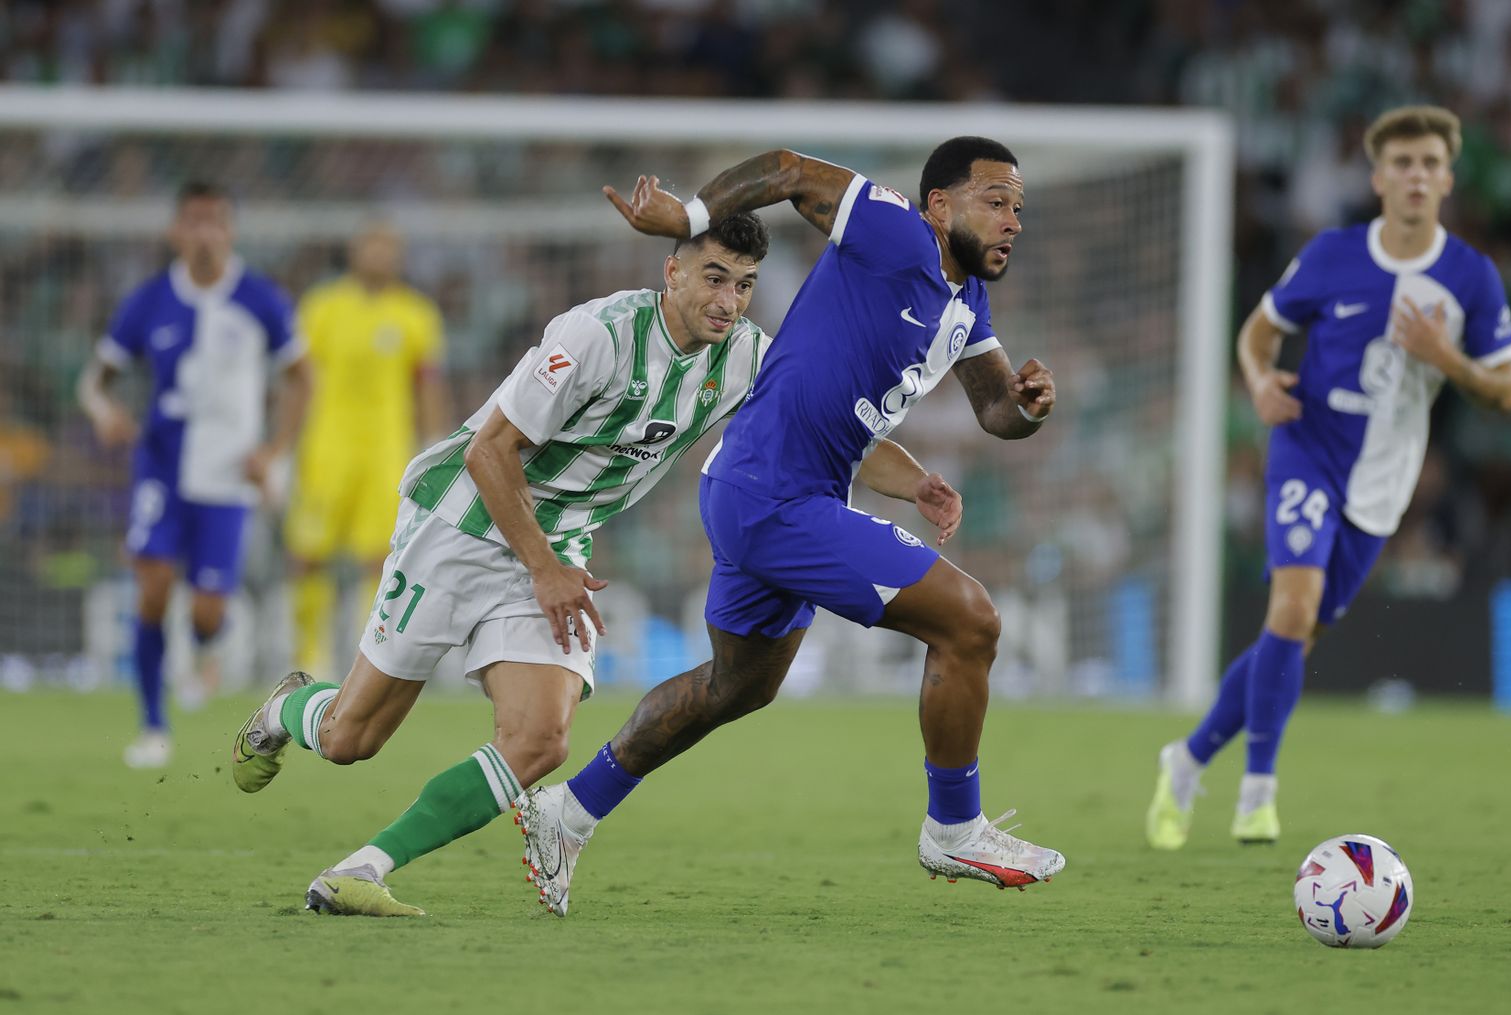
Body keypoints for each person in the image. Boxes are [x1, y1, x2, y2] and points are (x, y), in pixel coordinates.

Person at [229, 213, 961, 917]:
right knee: (350, 738)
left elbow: (832, 438)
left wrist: (917, 483)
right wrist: (543, 566)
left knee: (541, 740)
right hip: (457, 524)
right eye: (712, 278)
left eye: (742, 284)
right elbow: (489, 452)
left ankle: (360, 869)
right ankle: (289, 706)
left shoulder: (746, 356)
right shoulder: (597, 333)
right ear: (670, 272)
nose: (726, 300)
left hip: (558, 548)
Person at [515, 135, 1063, 918]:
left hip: (762, 491)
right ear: (941, 205)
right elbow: (788, 170)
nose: (1012, 220)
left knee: (733, 686)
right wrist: (693, 213)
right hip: (777, 494)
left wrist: (1030, 406)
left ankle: (566, 812)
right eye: (996, 201)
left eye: (1020, 207)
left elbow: (996, 408)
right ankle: (955, 825)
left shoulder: (965, 301)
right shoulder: (896, 229)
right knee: (971, 621)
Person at [1146, 105, 1511, 849]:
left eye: (1429, 164)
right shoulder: (1332, 255)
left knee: (1294, 634)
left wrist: (1446, 359)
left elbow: (1507, 389)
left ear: (1446, 179)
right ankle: (1259, 790)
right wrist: (1257, 381)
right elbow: (1259, 331)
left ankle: (1185, 760)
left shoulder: (1470, 277)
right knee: (1294, 603)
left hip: (1384, 481)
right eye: (1402, 163)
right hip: (1305, 444)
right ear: (1379, 177)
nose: (1416, 176)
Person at [78, 181, 309, 769]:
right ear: (176, 231)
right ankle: (154, 726)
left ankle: (208, 646)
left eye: (216, 221)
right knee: (152, 588)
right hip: (160, 468)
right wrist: (105, 414)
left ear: (230, 230)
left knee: (208, 610)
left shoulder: (261, 299)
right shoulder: (149, 300)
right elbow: (94, 380)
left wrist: (274, 452)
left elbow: (302, 379)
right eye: (194, 221)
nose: (205, 232)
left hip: (229, 478)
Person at [286, 222, 448, 676]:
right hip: (326, 446)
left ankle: (364, 658)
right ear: (353, 250)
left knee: (377, 558)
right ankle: (307, 656)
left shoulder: (416, 313)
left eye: (388, 247)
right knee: (308, 553)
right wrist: (285, 445)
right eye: (370, 245)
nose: (379, 254)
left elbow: (428, 383)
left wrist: (435, 441)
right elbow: (298, 379)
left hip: (387, 451)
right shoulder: (323, 306)